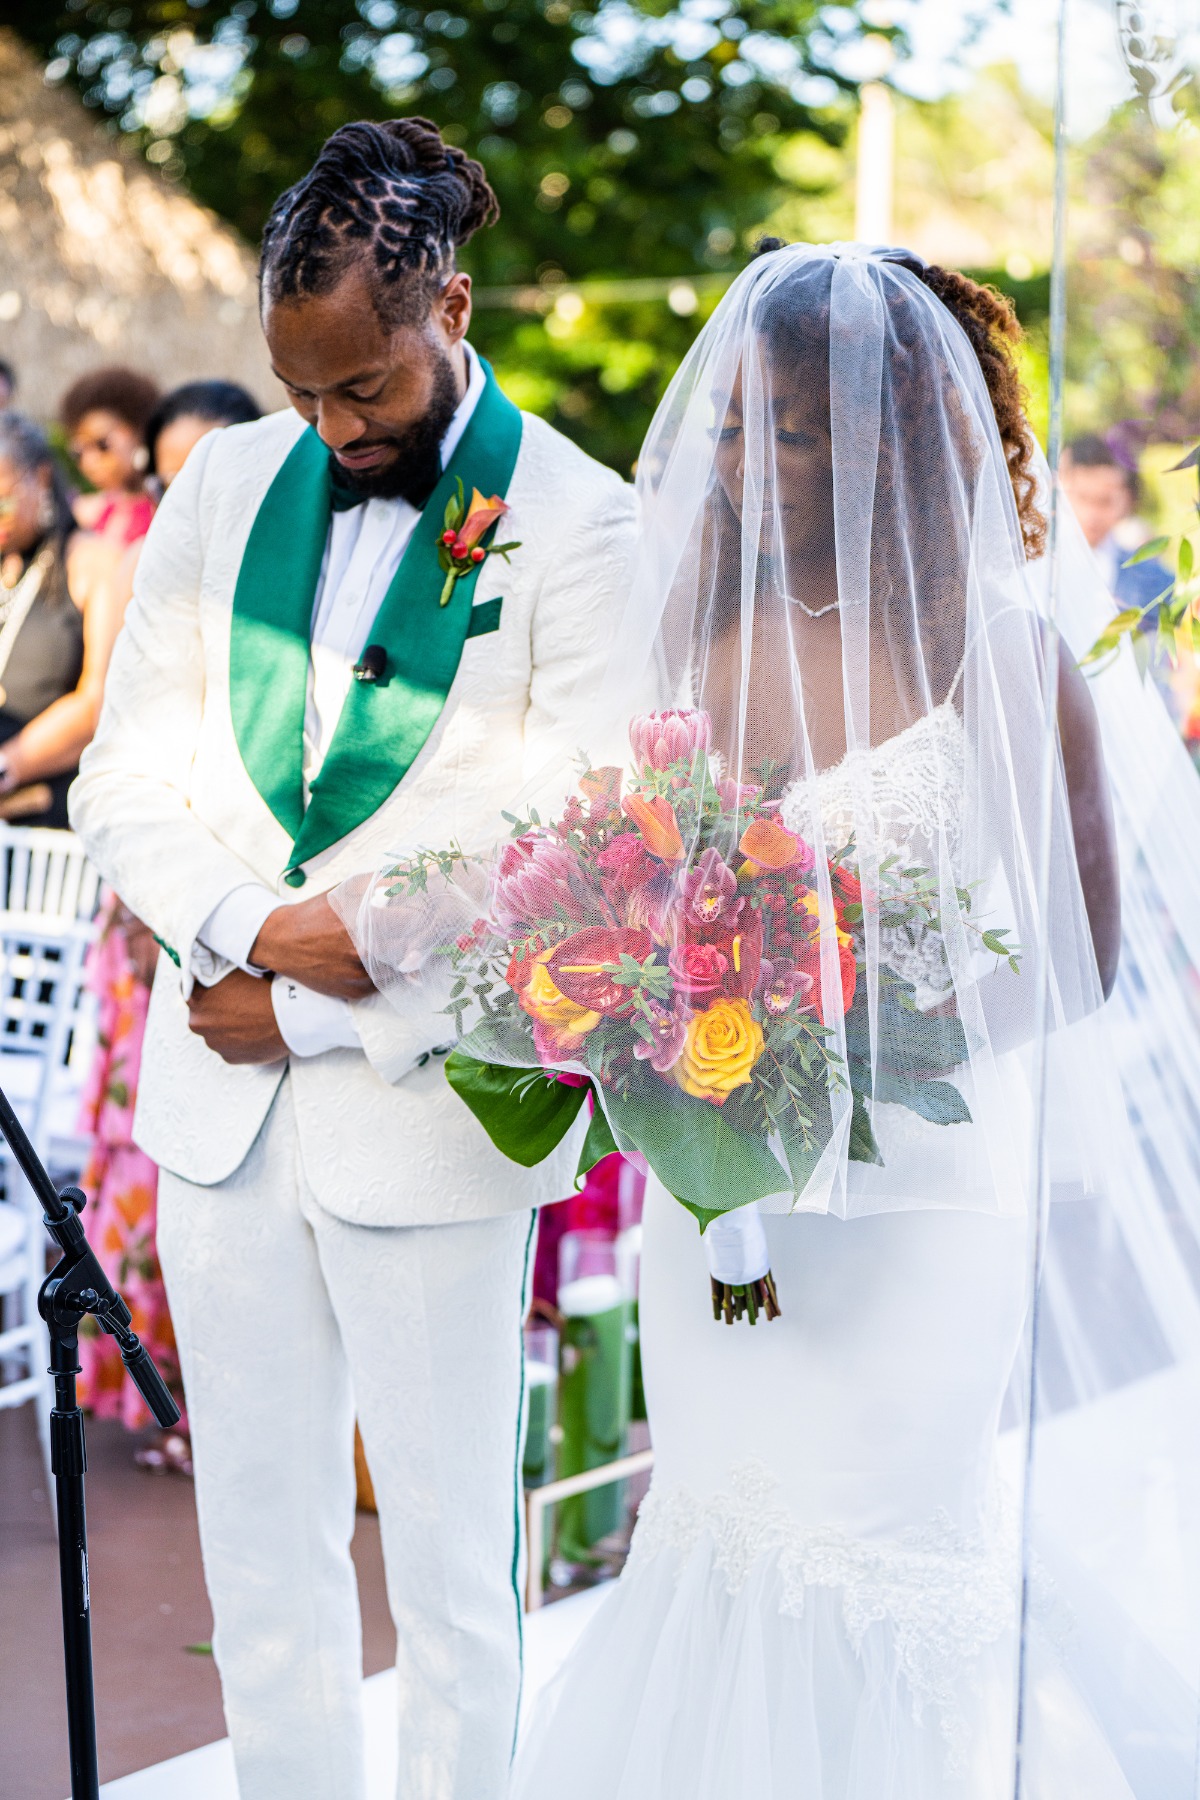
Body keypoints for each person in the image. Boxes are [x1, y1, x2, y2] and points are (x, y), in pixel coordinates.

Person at [342, 243, 1200, 1795]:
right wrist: (652, 1004)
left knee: (879, 1548)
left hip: (924, 1203)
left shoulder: (1002, 654)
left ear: (899, 438)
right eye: (735, 422)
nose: (744, 459)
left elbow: (1084, 953)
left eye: (793, 430)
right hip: (723, 1202)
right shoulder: (687, 632)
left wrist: (860, 1047)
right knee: (723, 1527)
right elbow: (600, 858)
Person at [69, 117, 636, 1800]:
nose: (332, 428)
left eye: (365, 389)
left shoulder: (581, 521)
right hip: (220, 1117)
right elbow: (124, 777)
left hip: (434, 1114)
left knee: (455, 1577)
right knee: (259, 1557)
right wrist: (251, 938)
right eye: (299, 390)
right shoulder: (224, 483)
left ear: (448, 308)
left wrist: (320, 997)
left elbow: (582, 837)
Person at [76, 378, 262, 1473]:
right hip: (145, 900)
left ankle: (223, 1403)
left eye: (211, 464)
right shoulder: (152, 569)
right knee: (147, 1147)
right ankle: (162, 1396)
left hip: (235, 903)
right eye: (169, 472)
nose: (188, 489)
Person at [0, 413, 122, 826]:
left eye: (3, 501)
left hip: (48, 820)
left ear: (40, 477)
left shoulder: (92, 560)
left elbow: (96, 700)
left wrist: (8, 764)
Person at [1060, 432, 1172, 616]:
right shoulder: (1037, 572)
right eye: (1082, 498)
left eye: (1105, 502)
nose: (1092, 515)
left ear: (1126, 500)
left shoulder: (1158, 582)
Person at [60, 365, 159, 550]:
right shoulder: (96, 512)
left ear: (139, 430)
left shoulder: (162, 507)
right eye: (79, 452)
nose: (89, 462)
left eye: (102, 444)